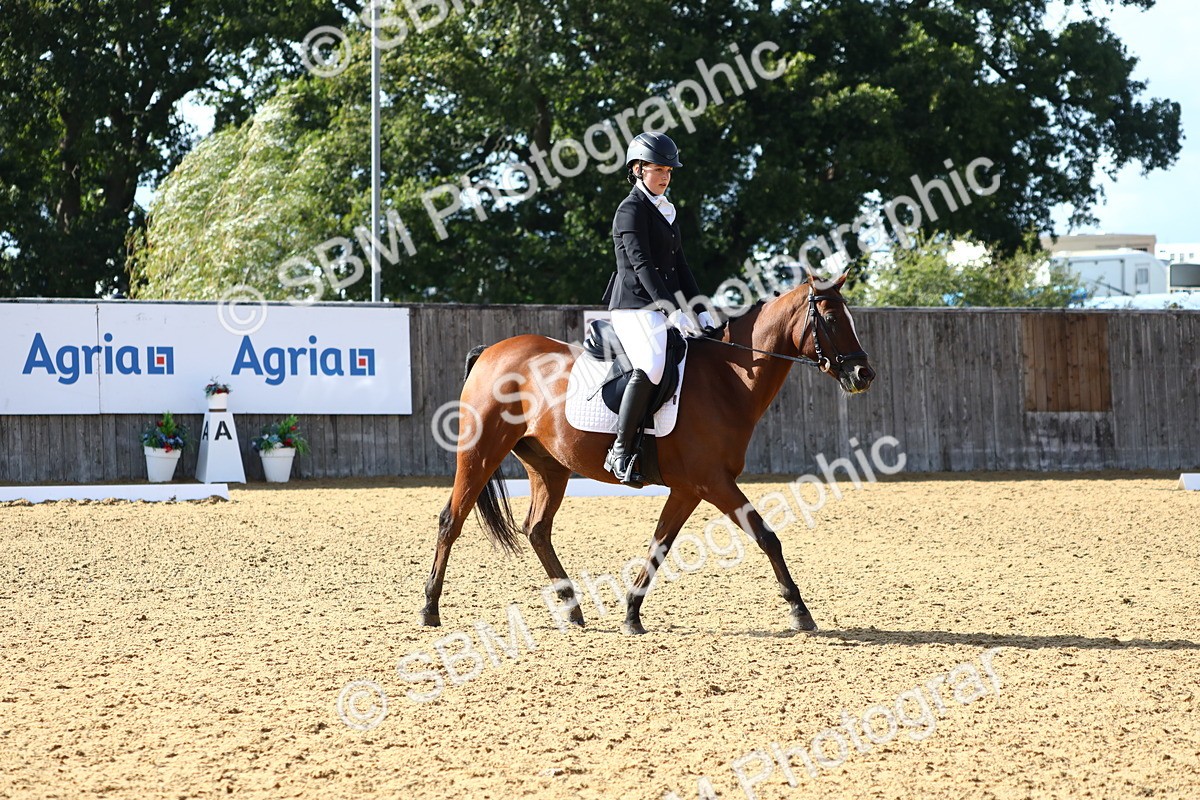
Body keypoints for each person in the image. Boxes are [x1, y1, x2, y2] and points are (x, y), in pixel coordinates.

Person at [602, 131, 716, 485]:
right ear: (637, 169)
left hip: (659, 308)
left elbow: (681, 268)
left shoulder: (665, 211)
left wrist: (700, 310)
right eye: (657, 169)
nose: (665, 176)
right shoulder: (630, 210)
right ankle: (620, 451)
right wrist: (671, 310)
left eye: (669, 170)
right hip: (633, 307)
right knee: (651, 365)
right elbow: (642, 266)